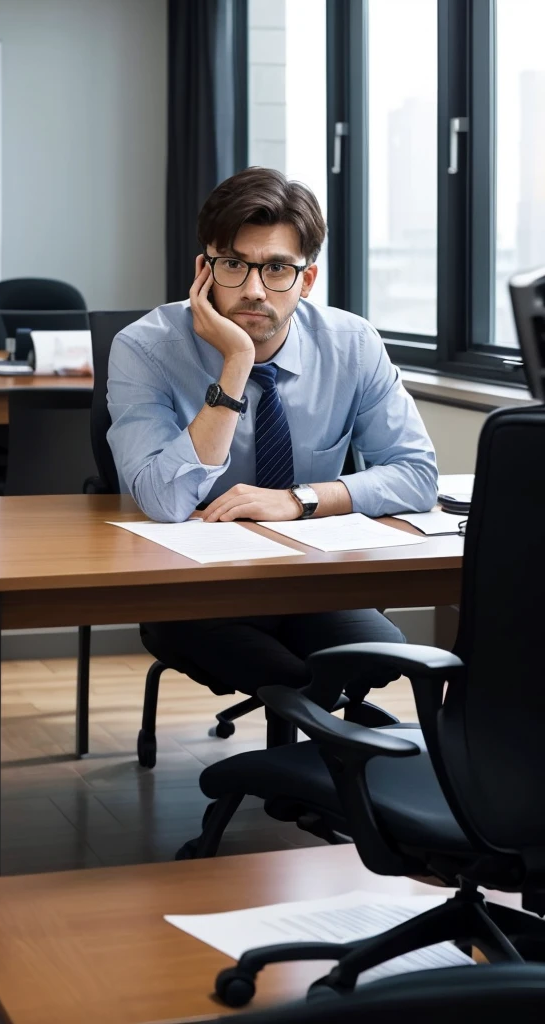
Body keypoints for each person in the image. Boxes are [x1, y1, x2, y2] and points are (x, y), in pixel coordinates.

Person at [107, 167, 438, 708]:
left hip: (313, 584)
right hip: (195, 591)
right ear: (204, 270)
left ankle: (324, 780)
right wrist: (236, 362)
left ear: (306, 281)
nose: (254, 290)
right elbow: (165, 501)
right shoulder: (144, 348)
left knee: (377, 654)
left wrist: (301, 499)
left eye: (278, 269)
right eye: (234, 265)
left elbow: (417, 474)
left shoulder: (352, 345)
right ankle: (325, 777)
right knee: (298, 683)